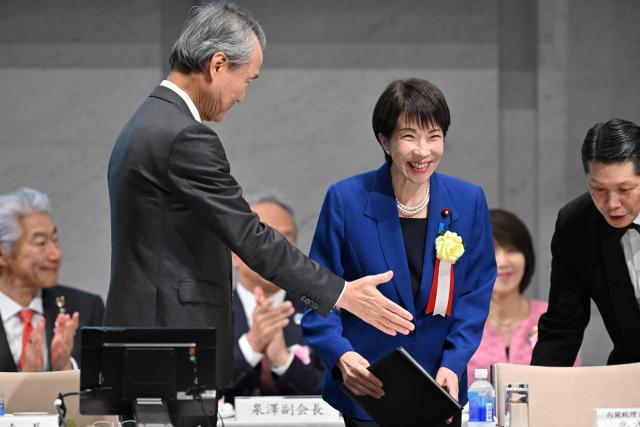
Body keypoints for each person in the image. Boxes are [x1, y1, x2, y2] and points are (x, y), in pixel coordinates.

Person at [104, 1, 414, 388]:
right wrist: (341, 293)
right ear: (217, 65)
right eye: (247, 79)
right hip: (169, 343)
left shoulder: (147, 121)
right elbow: (249, 234)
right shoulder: (183, 135)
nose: (242, 95)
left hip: (146, 338)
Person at [301, 78, 496, 427]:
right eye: (409, 137)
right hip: (370, 387)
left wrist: (454, 362)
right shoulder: (346, 200)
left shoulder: (468, 200)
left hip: (441, 386)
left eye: (434, 136)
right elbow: (318, 293)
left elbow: (475, 294)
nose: (423, 151)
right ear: (384, 140)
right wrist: (342, 354)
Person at [532, 118, 640, 366]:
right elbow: (563, 324)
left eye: (625, 189)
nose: (612, 203)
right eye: (598, 189)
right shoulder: (577, 224)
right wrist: (540, 392)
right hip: (629, 373)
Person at [221, 193, 323, 402]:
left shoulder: (321, 313)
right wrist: (251, 346)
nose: (274, 253)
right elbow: (193, 392)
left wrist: (284, 361)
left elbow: (345, 395)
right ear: (232, 252)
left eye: (284, 241)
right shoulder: (209, 314)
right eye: (261, 239)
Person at [467, 209, 580, 385]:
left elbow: (570, 382)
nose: (503, 262)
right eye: (491, 251)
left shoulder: (553, 317)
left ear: (526, 257)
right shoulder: (461, 322)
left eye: (511, 250)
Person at [0, 188, 105, 372]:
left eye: (55, 240)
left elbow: (103, 392)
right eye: (40, 243)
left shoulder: (86, 310)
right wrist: (22, 384)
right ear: (2, 254)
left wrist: (64, 367)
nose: (56, 255)